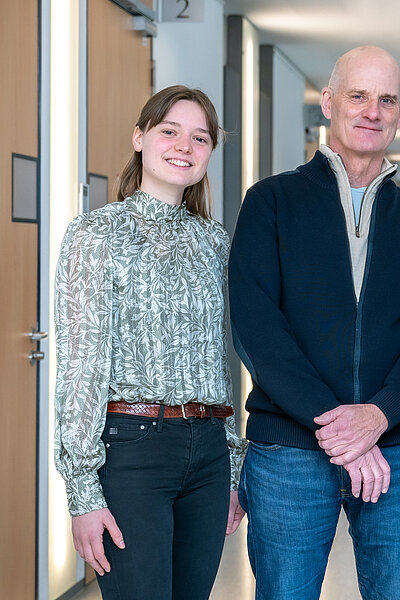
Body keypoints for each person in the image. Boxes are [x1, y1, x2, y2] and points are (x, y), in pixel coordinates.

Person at [228, 45, 400, 599]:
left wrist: (377, 417)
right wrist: (341, 428)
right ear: (329, 103)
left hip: (394, 451)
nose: (371, 110)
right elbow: (257, 329)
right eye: (358, 95)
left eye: (386, 99)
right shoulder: (270, 203)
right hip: (289, 453)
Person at [54, 85, 245, 600]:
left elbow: (219, 357)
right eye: (170, 131)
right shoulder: (96, 233)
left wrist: (231, 464)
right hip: (133, 451)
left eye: (200, 137)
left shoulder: (215, 241)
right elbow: (80, 366)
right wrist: (81, 494)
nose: (184, 145)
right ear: (140, 138)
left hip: (207, 452)